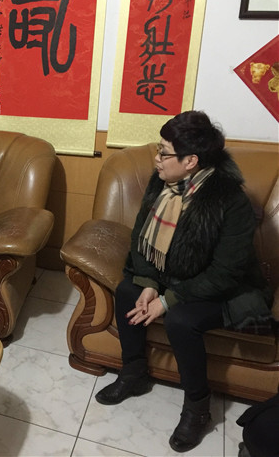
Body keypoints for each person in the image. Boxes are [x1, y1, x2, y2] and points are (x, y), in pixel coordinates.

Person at [94, 111, 271, 453]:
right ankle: (134, 373)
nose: (156, 159)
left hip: (227, 289)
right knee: (128, 290)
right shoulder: (162, 183)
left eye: (163, 153)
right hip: (171, 275)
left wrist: (167, 300)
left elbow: (225, 273)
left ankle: (197, 407)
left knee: (180, 319)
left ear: (191, 161)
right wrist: (149, 282)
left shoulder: (229, 201)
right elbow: (141, 237)